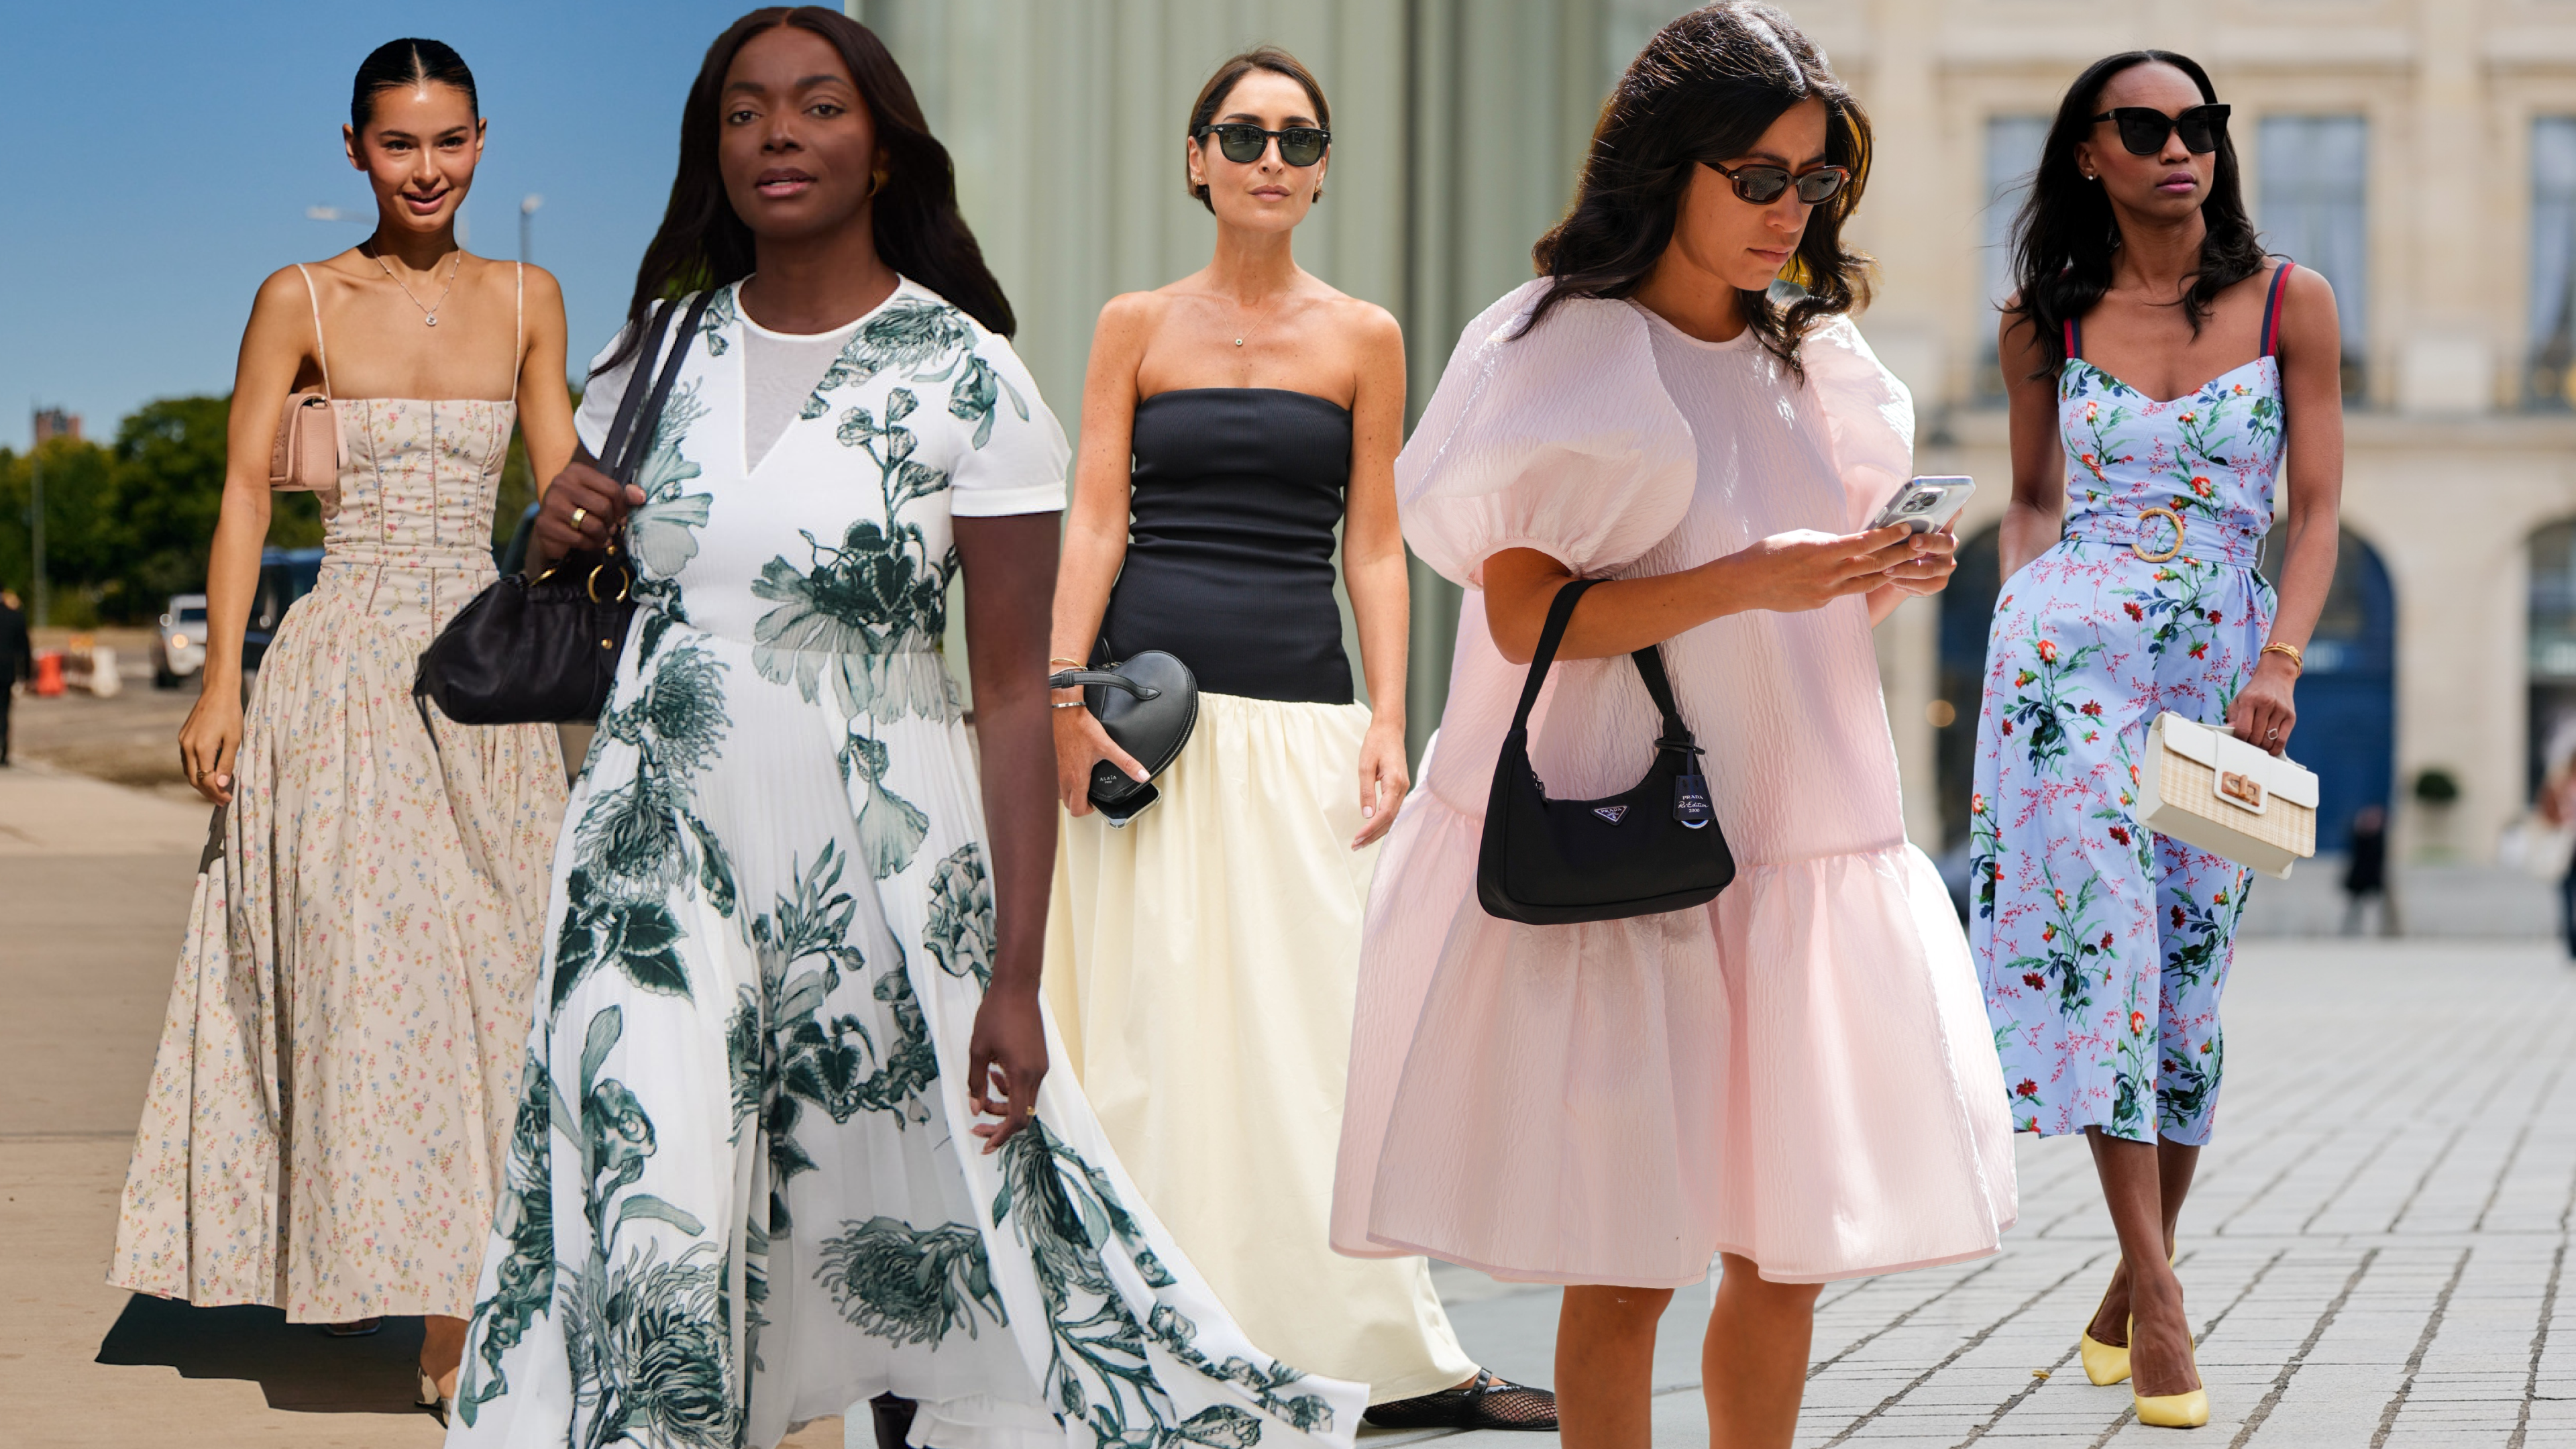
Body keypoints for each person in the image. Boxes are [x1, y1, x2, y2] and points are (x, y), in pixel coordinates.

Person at [447, 13, 1366, 1448]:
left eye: (819, 105)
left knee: (906, 1216)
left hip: (877, 862)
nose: (778, 133)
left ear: (883, 148)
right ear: (714, 148)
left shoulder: (968, 373)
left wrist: (1018, 974)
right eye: (744, 111)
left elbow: (1010, 692)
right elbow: (597, 577)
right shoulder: (654, 351)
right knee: (651, 1210)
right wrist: (547, 530)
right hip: (653, 851)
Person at [1335, 8, 2017, 1447]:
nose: (1789, 211)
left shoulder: (1813, 362)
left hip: (1799, 834)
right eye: (1755, 177)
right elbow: (1525, 620)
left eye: (1812, 180)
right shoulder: (1565, 350)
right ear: (1666, 163)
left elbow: (1786, 624)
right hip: (1636, 860)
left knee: (1786, 1255)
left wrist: (1872, 576)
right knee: (1628, 1262)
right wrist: (1754, 578)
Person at [1042, 46, 1551, 1432]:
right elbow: (1096, 518)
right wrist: (1063, 699)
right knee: (1143, 1037)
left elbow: (1376, 545)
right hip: (1150, 735)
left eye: (1298, 139)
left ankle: (1368, 1353)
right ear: (1196, 158)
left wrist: (1389, 718)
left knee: (1315, 1046)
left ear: (1322, 173)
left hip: (1305, 726)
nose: (1271, 158)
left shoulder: (1365, 337)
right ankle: (1148, 1341)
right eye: (1244, 134)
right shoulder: (1133, 324)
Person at [109, 38, 574, 1419]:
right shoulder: (298, 296)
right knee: (361, 976)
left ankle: (470, 1283)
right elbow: (246, 497)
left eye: (450, 142)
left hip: (481, 667)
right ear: (357, 150)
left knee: (499, 973)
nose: (426, 170)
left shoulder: (529, 297)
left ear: (482, 142)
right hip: (344, 664)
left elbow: (558, 490)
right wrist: (222, 682)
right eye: (398, 145)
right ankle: (408, 1279)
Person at [1972, 48, 2344, 1430]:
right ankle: (2167, 1304)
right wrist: (2019, 615)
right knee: (2107, 957)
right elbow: (2029, 498)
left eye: (2199, 124)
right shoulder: (2044, 320)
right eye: (2144, 127)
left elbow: (2317, 512)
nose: (2179, 146)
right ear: (2089, 152)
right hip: (2066, 667)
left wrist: (2280, 660)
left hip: (2223, 673)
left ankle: (2128, 1286)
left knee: (2188, 986)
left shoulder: (2293, 302)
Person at [2339, 804, 2396, 937]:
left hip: (2372, 880)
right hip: (2359, 880)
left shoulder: (2379, 839)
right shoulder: (2360, 837)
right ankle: (2350, 931)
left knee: (2372, 908)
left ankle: (2370, 933)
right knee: (2354, 908)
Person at [0, 588, 28, 765]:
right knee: (4, 712)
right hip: (6, 672)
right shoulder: (15, 617)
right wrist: (26, 674)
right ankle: (4, 750)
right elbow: (24, 647)